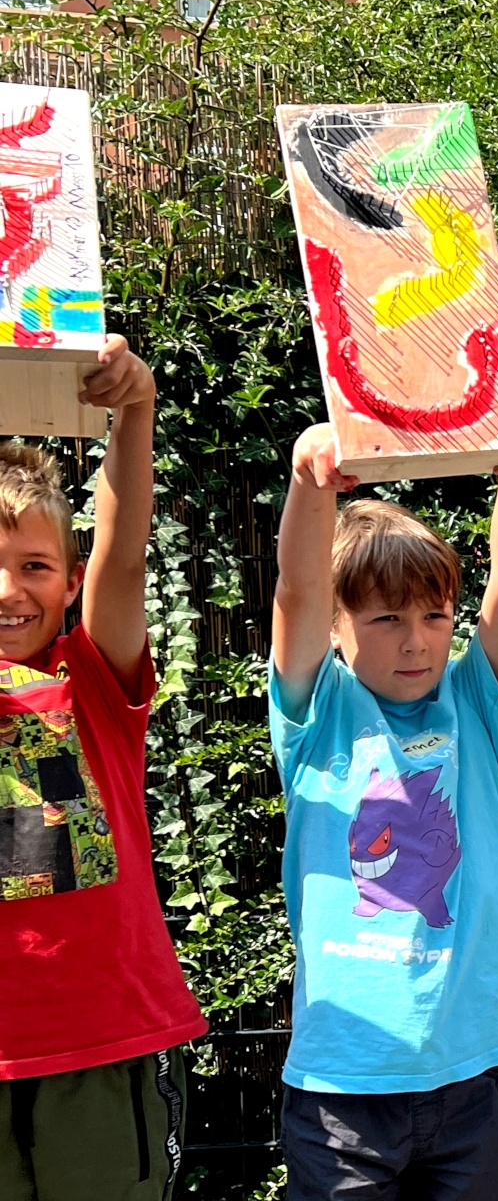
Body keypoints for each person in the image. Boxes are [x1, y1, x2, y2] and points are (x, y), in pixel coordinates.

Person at [268, 422, 498, 1200]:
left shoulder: (476, 706)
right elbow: (296, 592)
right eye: (384, 619)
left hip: (474, 1075)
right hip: (344, 1084)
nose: (416, 643)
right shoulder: (316, 713)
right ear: (336, 633)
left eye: (433, 616)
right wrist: (309, 484)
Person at [0, 337, 206, 1201]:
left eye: (34, 567)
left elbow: (124, 552)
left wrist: (134, 413)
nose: (8, 589)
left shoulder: (90, 674)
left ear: (70, 580)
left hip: (103, 1045)